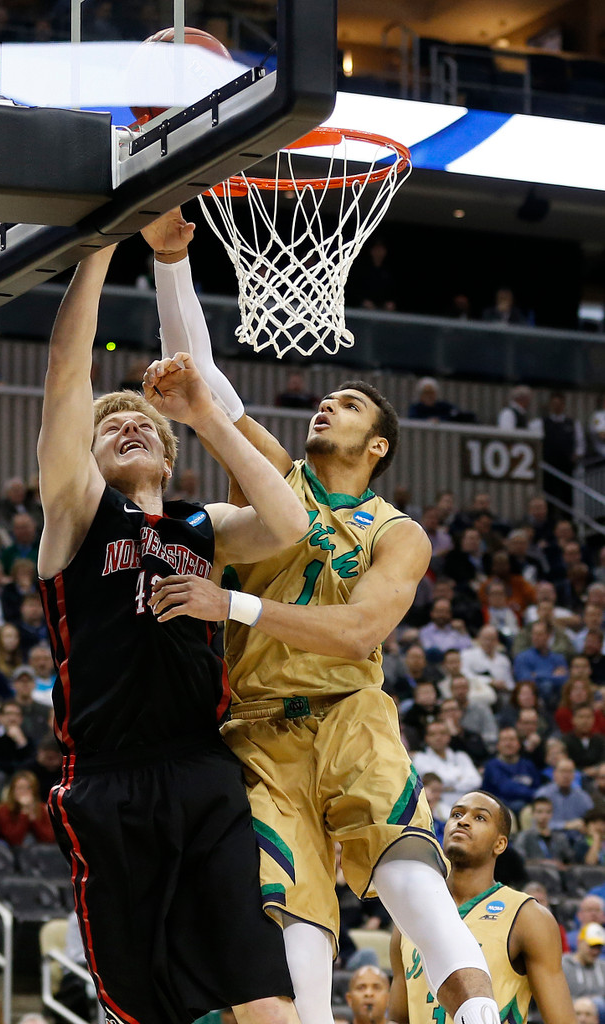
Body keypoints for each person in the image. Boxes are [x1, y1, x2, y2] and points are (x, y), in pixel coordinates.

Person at [148, 209, 504, 1024]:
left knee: (403, 867)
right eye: (325, 400)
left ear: (377, 445)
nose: (325, 408)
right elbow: (199, 379)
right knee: (292, 908)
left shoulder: (397, 533)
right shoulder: (271, 480)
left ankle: (479, 1017)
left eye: (346, 406)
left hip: (349, 710)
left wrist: (230, 601)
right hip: (257, 726)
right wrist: (171, 262)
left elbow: (357, 634)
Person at [37, 235, 310, 1024]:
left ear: (167, 453)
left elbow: (289, 523)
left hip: (203, 770)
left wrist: (202, 414)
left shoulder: (202, 525)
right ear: (85, 459)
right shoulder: (80, 514)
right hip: (109, 779)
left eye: (144, 427)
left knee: (262, 990)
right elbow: (65, 373)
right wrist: (96, 248)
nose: (128, 427)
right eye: (108, 427)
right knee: (141, 1004)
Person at [389, 790, 576, 1024]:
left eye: (480, 818)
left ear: (500, 844)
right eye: (456, 814)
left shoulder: (527, 917)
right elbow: (397, 1018)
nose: (463, 821)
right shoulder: (408, 917)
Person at [0, 769, 55, 847]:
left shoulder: (43, 809)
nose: (23, 792)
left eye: (28, 788)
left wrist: (33, 817)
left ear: (34, 791)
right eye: (19, 788)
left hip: (39, 854)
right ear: (12, 791)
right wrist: (24, 813)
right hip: (10, 852)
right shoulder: (3, 810)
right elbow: (13, 840)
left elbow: (49, 839)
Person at [513, 795, 574, 866]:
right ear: (533, 814)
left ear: (552, 814)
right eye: (539, 812)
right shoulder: (524, 837)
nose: (544, 816)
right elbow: (519, 860)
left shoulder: (560, 838)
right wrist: (544, 863)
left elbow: (570, 860)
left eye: (548, 812)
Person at [562, 923, 605, 1000]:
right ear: (579, 942)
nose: (596, 951)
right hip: (570, 1010)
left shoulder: (603, 967)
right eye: (592, 946)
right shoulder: (564, 966)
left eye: (599, 947)